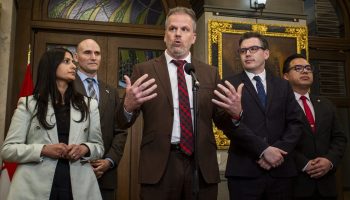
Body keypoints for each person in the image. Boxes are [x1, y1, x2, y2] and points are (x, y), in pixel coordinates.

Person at [116, 6, 238, 200]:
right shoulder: (144, 70)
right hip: (160, 164)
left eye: (184, 29)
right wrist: (127, 107)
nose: (178, 35)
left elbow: (222, 121)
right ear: (165, 35)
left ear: (194, 37)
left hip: (200, 164)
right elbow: (122, 122)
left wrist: (235, 114)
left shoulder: (209, 73)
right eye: (172, 29)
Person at [1, 48, 104, 200]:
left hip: (77, 186)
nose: (74, 66)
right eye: (66, 61)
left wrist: (84, 149)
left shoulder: (89, 105)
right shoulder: (29, 104)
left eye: (73, 62)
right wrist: (43, 149)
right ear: (51, 66)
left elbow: (99, 147)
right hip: (34, 187)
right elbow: (8, 150)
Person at [212, 32, 304, 200]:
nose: (247, 53)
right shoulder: (228, 85)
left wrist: (277, 153)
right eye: (243, 50)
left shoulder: (283, 86)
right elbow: (223, 123)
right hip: (244, 172)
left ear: (266, 54)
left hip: (281, 172)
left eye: (253, 49)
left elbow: (296, 124)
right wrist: (262, 150)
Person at [282, 53, 348, 200]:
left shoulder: (326, 104)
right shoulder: (280, 105)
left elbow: (339, 138)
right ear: (286, 76)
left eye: (308, 68)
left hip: (327, 185)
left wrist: (329, 161)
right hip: (294, 184)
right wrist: (305, 164)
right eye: (298, 68)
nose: (305, 71)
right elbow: (278, 140)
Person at [73, 39, 127, 200]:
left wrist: (109, 161)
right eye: (87, 53)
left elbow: (121, 130)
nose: (93, 57)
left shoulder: (111, 91)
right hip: (72, 171)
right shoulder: (66, 86)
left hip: (105, 177)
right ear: (76, 57)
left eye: (97, 53)